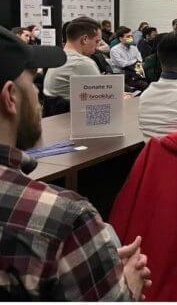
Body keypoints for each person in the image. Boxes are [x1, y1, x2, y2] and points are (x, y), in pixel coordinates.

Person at [0, 26, 152, 300]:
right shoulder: (62, 218)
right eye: (33, 82)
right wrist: (127, 284)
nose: (38, 95)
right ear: (10, 97)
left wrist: (84, 259)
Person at [43, 17, 102, 107]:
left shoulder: (59, 57)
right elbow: (102, 98)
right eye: (96, 41)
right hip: (71, 117)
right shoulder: (82, 63)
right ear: (84, 39)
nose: (97, 47)